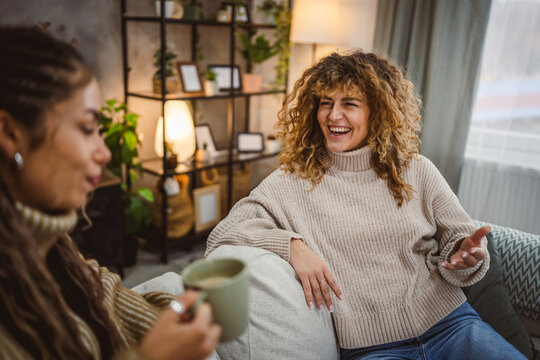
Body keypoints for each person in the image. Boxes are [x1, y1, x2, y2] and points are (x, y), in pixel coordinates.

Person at [206, 51, 526, 359]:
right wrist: (291, 246)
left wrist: (465, 255)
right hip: (372, 349)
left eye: (350, 104)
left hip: (452, 324)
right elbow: (225, 233)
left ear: (378, 111)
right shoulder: (292, 181)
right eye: (325, 103)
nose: (333, 116)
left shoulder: (417, 169)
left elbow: (459, 239)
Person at [0, 26, 220, 360]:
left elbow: (104, 288)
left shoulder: (52, 249)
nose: (104, 153)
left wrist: (177, 311)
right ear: (9, 133)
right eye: (87, 129)